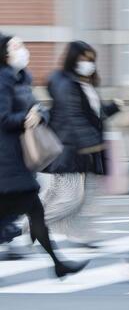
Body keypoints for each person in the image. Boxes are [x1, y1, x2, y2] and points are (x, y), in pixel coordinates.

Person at [0, 34, 87, 279]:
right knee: (32, 210)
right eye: (16, 46)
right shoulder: (2, 80)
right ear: (4, 53)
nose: (23, 50)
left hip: (19, 160)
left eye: (22, 45)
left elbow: (37, 108)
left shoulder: (22, 78)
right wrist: (25, 119)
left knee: (33, 210)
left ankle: (58, 264)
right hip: (6, 161)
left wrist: (39, 115)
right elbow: (4, 118)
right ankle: (58, 264)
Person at [38, 41, 122, 247]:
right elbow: (73, 117)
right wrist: (91, 143)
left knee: (89, 195)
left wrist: (113, 108)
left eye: (91, 59)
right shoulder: (65, 83)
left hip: (90, 149)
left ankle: (83, 234)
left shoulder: (86, 83)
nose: (88, 63)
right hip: (71, 149)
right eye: (83, 59)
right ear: (73, 58)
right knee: (69, 198)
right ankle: (31, 225)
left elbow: (94, 115)